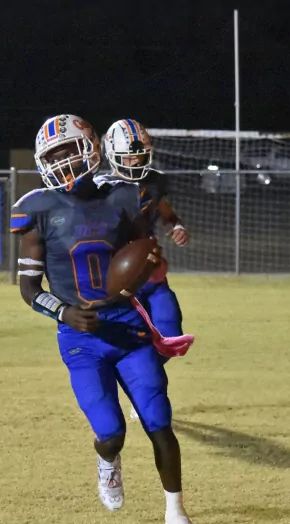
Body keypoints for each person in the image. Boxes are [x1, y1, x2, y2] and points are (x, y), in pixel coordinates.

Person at [10, 114, 198, 524]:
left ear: (91, 148)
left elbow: (143, 249)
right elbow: (28, 288)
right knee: (111, 432)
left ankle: (176, 512)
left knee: (158, 420)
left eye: (67, 151)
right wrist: (63, 312)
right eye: (52, 156)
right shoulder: (37, 209)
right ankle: (108, 460)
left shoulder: (124, 196)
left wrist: (147, 262)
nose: (61, 162)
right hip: (81, 337)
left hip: (127, 327)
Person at [95, 119, 190, 420]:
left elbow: (167, 214)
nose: (136, 161)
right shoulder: (99, 188)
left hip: (153, 274)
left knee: (171, 336)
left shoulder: (154, 181)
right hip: (122, 283)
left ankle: (139, 384)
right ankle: (141, 390)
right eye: (129, 156)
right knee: (128, 343)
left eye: (140, 155)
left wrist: (176, 227)